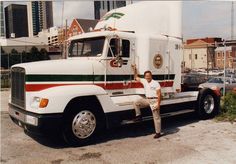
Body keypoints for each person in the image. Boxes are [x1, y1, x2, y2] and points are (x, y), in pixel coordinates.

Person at [131, 64, 162, 139]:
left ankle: (158, 132)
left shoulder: (155, 83)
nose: (148, 77)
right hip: (147, 100)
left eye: (149, 75)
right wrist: (135, 69)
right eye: (146, 76)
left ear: (151, 76)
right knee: (136, 102)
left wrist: (158, 104)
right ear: (145, 77)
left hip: (154, 100)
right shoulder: (144, 81)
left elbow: (159, 94)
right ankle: (138, 116)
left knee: (156, 117)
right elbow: (136, 77)